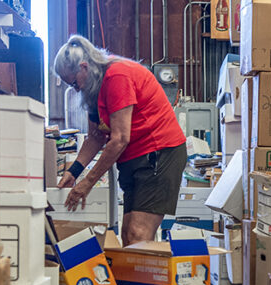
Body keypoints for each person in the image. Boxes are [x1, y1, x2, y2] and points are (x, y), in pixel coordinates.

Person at [52, 35, 187, 245]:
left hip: (159, 152)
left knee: (138, 234)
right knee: (129, 236)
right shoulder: (93, 89)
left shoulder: (117, 75)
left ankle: (150, 267)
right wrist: (73, 172)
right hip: (135, 159)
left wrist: (87, 183)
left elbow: (120, 139)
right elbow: (95, 137)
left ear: (84, 67)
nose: (76, 90)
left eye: (75, 83)